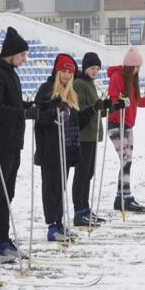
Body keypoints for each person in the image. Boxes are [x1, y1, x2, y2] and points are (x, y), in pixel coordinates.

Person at [33, 53, 99, 240]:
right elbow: (39, 118)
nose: (66, 75)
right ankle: (52, 226)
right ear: (57, 71)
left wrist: (93, 109)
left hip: (67, 149)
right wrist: (52, 110)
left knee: (60, 188)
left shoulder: (71, 94)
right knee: (51, 188)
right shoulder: (46, 90)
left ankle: (59, 222)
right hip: (50, 150)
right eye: (63, 71)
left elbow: (77, 123)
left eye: (70, 73)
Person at [0, 27, 29, 263]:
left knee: (7, 193)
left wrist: (32, 108)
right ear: (11, 53)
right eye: (22, 54)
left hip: (14, 142)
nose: (25, 59)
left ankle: (3, 239)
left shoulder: (12, 74)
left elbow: (15, 105)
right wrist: (21, 112)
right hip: (0, 142)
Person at [107, 47, 145, 212]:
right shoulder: (117, 77)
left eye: (139, 67)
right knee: (125, 160)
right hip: (116, 124)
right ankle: (125, 196)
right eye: (135, 67)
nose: (137, 70)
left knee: (127, 161)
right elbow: (112, 98)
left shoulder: (132, 81)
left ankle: (121, 197)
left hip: (128, 125)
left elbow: (138, 101)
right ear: (129, 66)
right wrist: (120, 102)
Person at [72, 51, 125, 223]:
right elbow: (80, 109)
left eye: (97, 68)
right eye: (92, 68)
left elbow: (98, 111)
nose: (95, 71)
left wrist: (113, 106)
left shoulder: (90, 83)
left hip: (93, 134)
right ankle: (79, 210)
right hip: (83, 135)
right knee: (82, 173)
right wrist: (96, 106)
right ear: (85, 67)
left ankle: (86, 208)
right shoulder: (79, 83)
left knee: (89, 173)